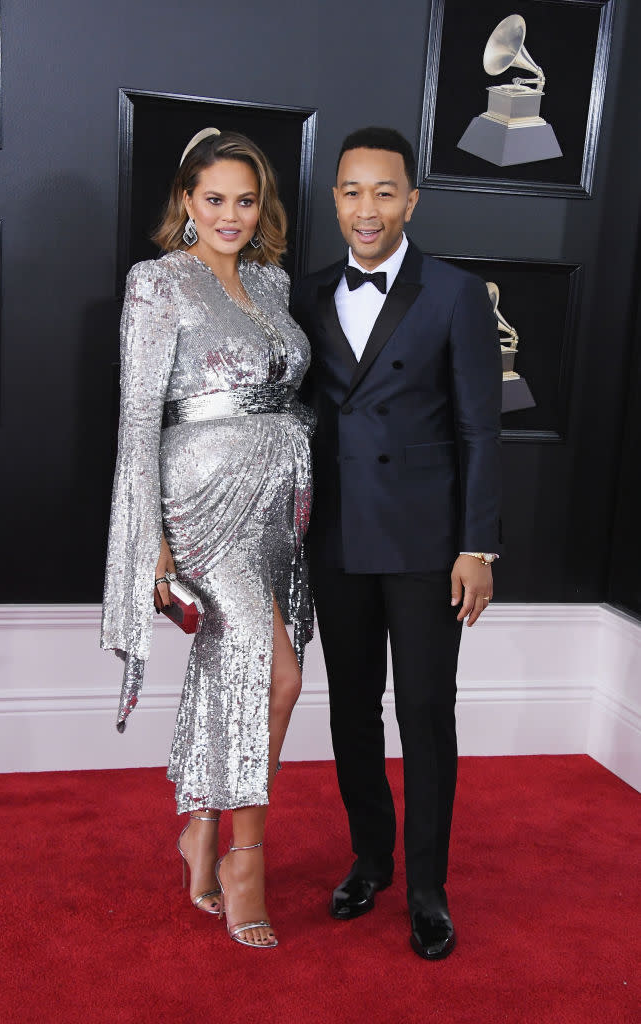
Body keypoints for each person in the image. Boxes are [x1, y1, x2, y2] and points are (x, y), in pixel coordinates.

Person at [290, 126, 501, 960]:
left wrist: (476, 546)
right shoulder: (305, 295)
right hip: (336, 541)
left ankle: (427, 888)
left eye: (384, 191)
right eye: (350, 191)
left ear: (411, 200)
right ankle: (370, 860)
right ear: (334, 198)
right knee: (351, 711)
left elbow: (481, 430)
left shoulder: (453, 293)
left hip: (424, 547)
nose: (365, 208)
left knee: (423, 714)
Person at [101, 128, 314, 949]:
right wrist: (149, 538)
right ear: (186, 201)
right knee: (277, 678)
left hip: (276, 506)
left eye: (245, 199)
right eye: (214, 198)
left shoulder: (272, 280)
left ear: (262, 206)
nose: (230, 214)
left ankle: (198, 827)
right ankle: (243, 858)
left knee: (240, 674)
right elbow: (136, 420)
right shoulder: (157, 284)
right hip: (200, 502)